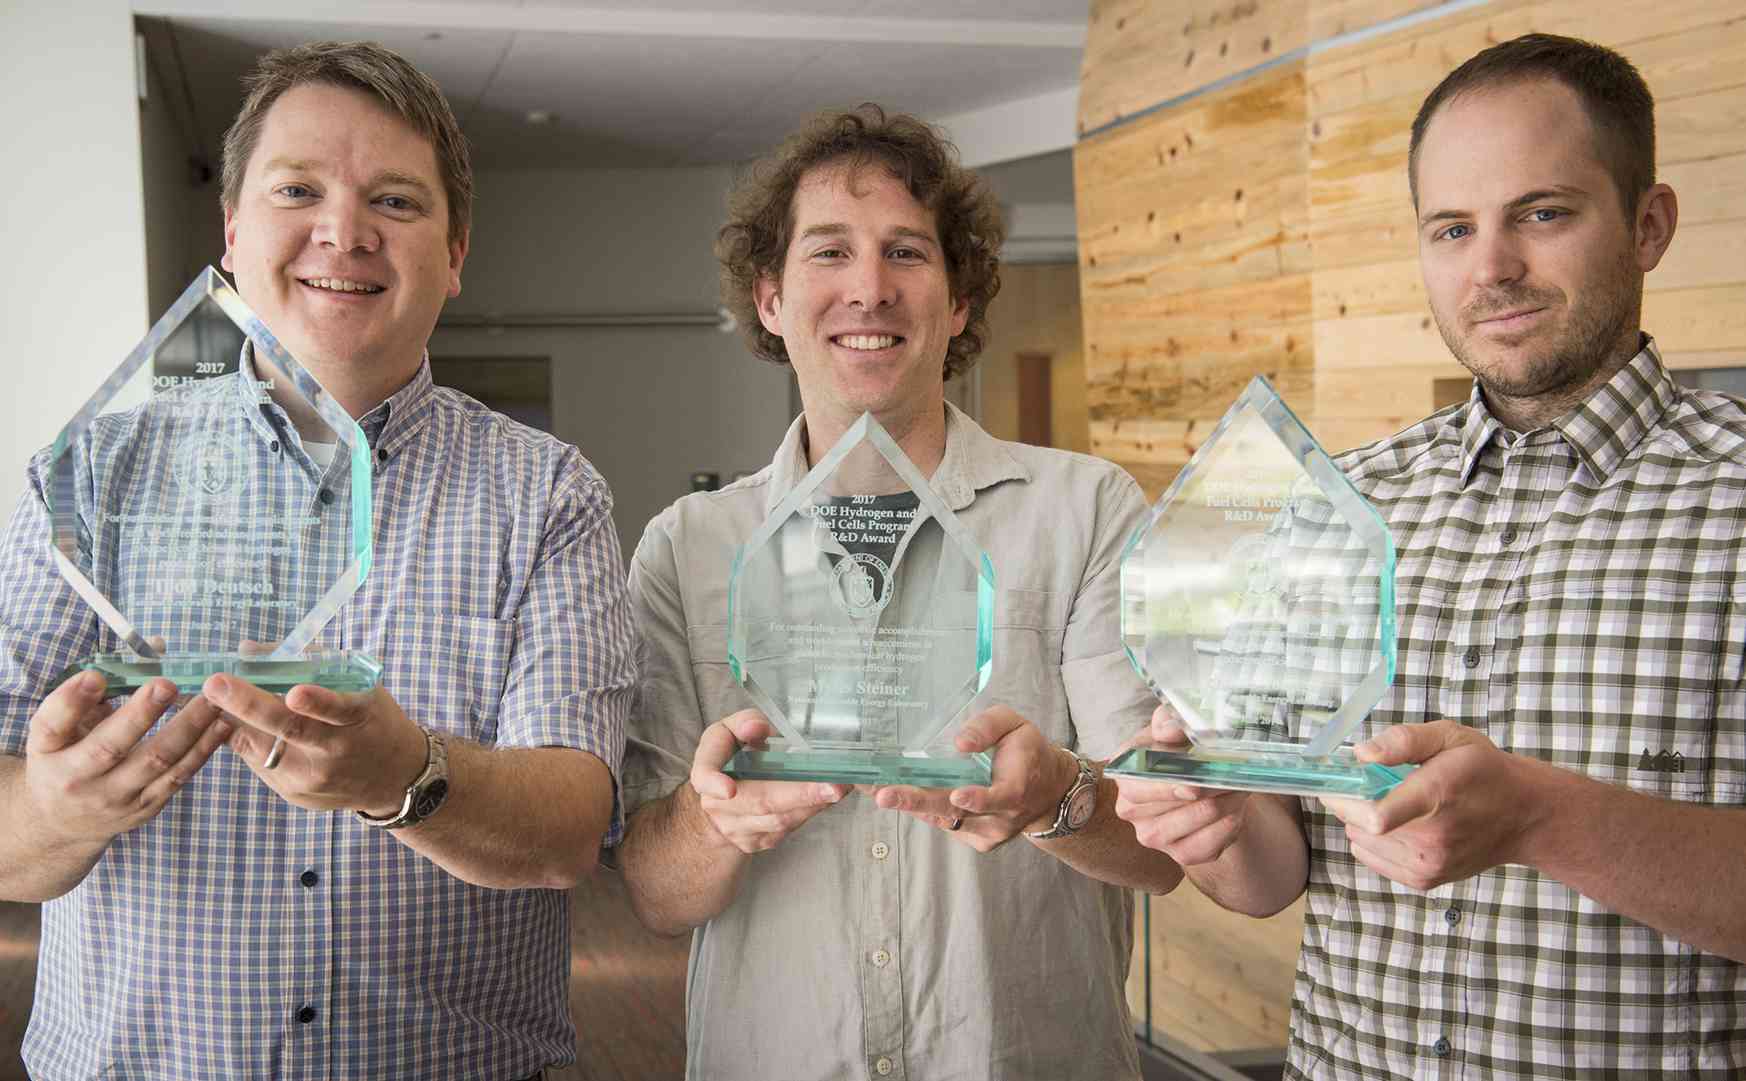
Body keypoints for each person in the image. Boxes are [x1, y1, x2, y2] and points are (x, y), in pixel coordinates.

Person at [1115, 32, 1746, 1078]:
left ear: (1649, 225)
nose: (1491, 268)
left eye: (1542, 214)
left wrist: (1541, 817)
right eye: (1453, 228)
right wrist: (1216, 821)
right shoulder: (1339, 501)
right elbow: (1273, 874)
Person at [0, 41, 634, 1079]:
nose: (344, 232)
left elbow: (572, 826)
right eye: (298, 190)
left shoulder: (550, 494)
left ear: (455, 251)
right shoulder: (89, 476)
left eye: (396, 200)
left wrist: (408, 776)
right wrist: (54, 811)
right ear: (232, 229)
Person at [613, 105, 1183, 1081]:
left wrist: (1057, 796)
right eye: (830, 251)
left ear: (958, 301)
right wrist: (716, 822)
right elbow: (658, 895)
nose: (869, 288)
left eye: (907, 253)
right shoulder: (686, 547)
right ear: (769, 298)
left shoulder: (1085, 511)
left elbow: (1164, 851)